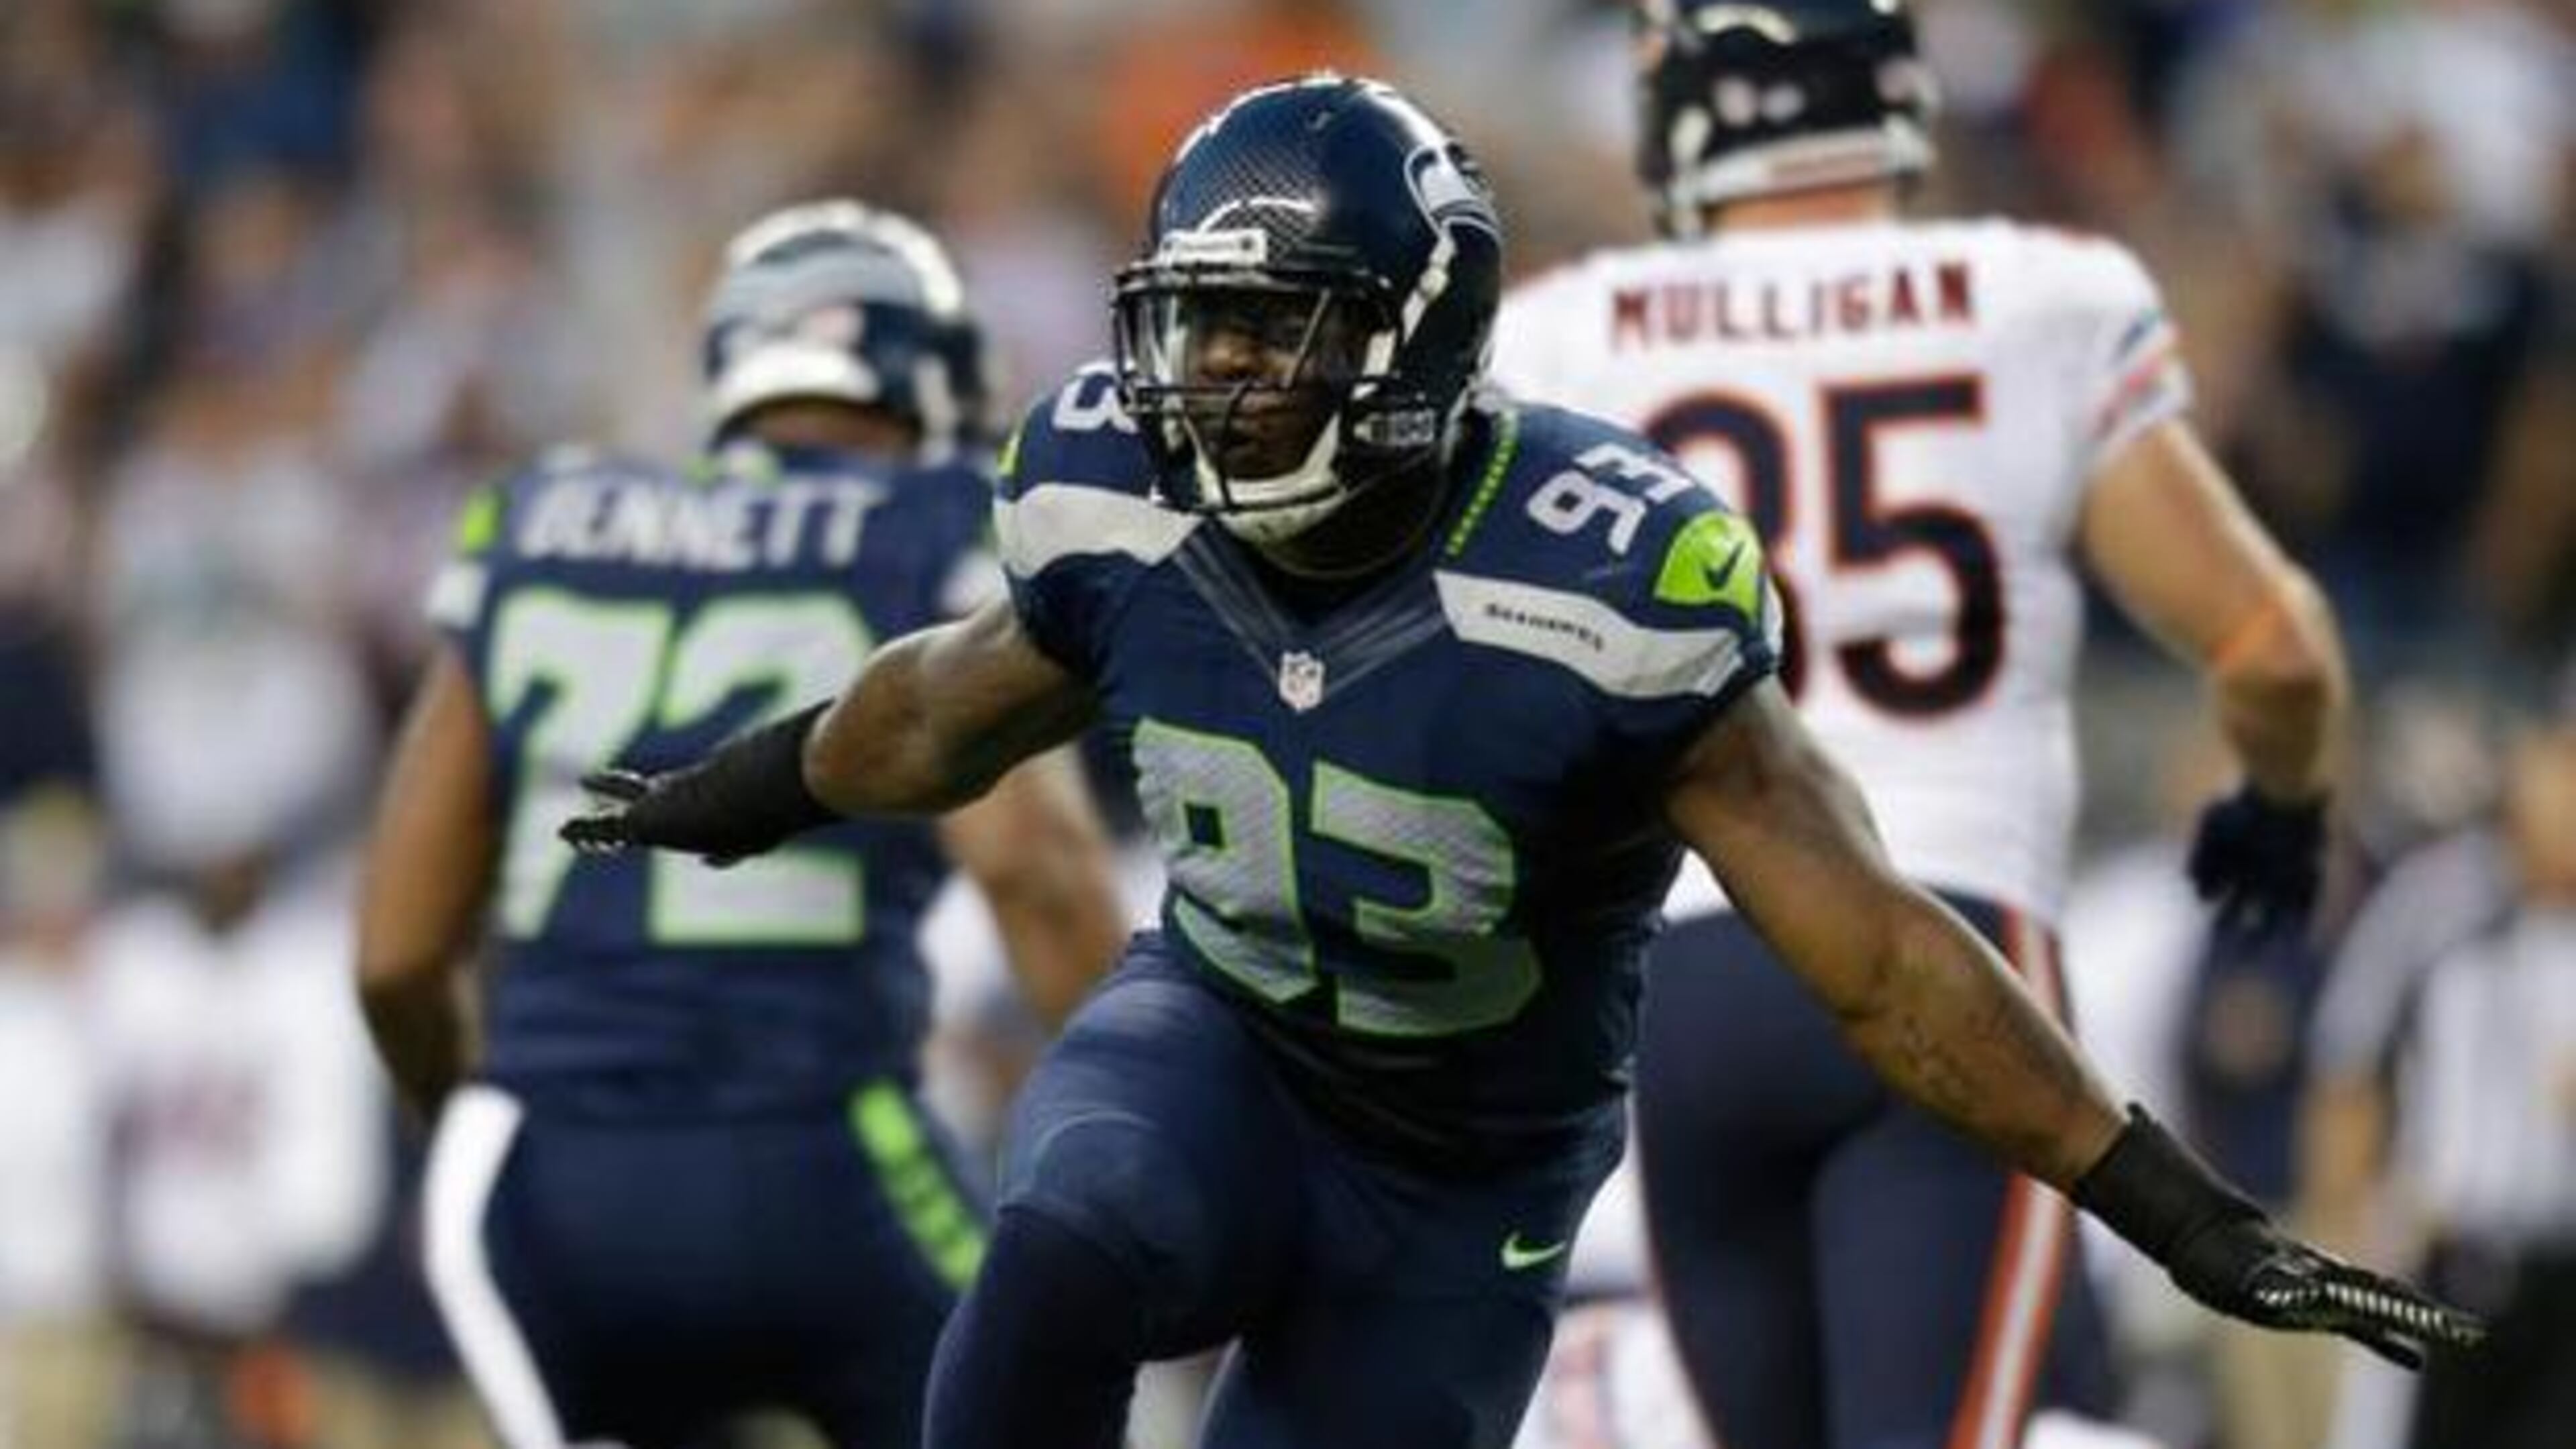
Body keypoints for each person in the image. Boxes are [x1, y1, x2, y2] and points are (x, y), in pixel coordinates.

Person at [562, 76, 2479, 1449]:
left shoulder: (1601, 582)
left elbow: (1885, 966)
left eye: (1267, 334)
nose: (1211, 381)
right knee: (1066, 1238)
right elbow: (938, 711)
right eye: (1197, 329)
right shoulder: (1118, 498)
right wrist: (736, 790)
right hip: (1220, 1045)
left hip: (1464, 1176)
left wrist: (2181, 1215)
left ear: (1407, 337)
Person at [1487, 3, 2371, 1446]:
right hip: (1961, 973)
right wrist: (2281, 810)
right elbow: (2274, 650)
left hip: (1689, 981)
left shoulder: (1564, 332)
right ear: (1895, 95)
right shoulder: (2038, 296)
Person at [354, 198, 1128, 1449]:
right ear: (923, 376)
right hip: (823, 1138)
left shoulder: (538, 521)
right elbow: (1031, 871)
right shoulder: (931, 521)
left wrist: (486, 1127)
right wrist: (1162, 1143)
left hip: (552, 1167)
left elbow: (395, 951)